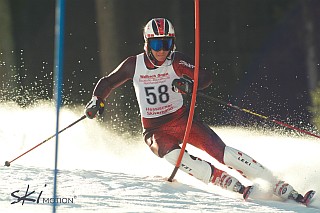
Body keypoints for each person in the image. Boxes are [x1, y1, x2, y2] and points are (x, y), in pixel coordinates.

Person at [85, 18, 312, 203]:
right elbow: (107, 82)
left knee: (223, 152)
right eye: (156, 45)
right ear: (147, 43)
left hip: (182, 120)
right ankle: (223, 180)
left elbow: (205, 77)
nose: (162, 50)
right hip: (155, 129)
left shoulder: (176, 61)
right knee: (173, 156)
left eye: (167, 44)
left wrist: (189, 84)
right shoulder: (133, 64)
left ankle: (275, 183)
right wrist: (97, 100)